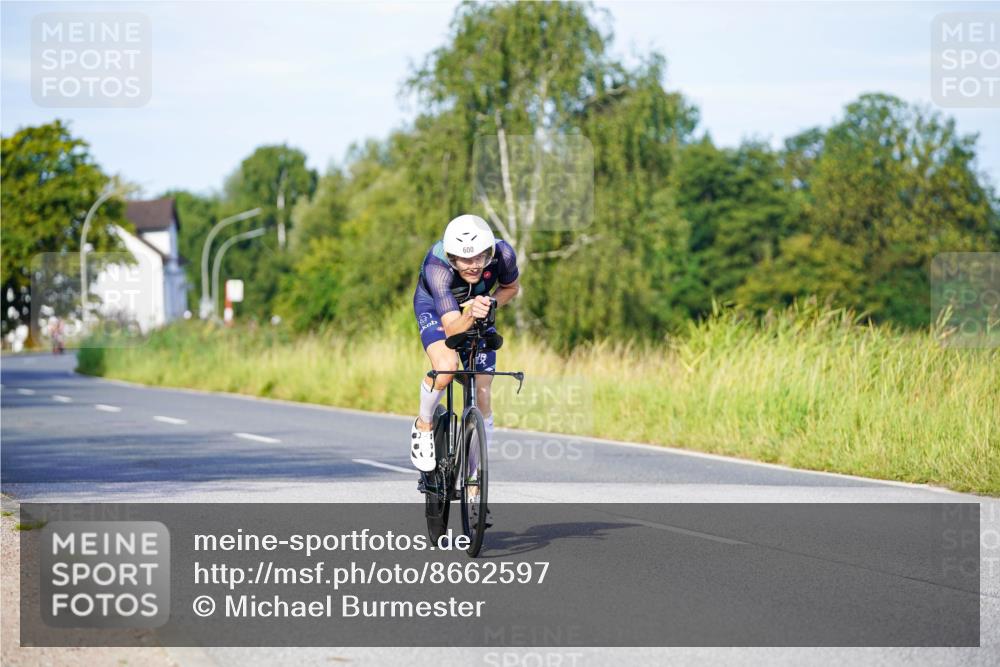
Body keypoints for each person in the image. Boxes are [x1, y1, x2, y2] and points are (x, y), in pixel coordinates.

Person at [409, 214, 521, 483]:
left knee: (483, 390)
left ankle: (474, 474)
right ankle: (424, 425)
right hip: (437, 310)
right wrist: (473, 312)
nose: (473, 266)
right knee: (446, 369)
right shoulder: (437, 267)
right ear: (452, 257)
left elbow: (511, 287)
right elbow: (451, 329)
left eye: (479, 258)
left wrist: (490, 304)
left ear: (489, 253)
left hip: (478, 306)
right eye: (464, 260)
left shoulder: (503, 253)